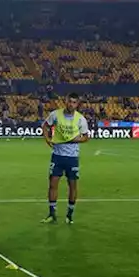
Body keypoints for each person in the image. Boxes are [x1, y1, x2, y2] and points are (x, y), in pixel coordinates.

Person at [41, 92, 90, 224]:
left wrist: (76, 139)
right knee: (52, 185)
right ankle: (52, 214)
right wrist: (47, 139)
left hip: (72, 157)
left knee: (72, 186)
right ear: (65, 101)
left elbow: (86, 137)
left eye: (74, 102)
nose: (71, 104)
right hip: (57, 156)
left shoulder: (81, 119)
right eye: (69, 101)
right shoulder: (55, 114)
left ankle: (70, 215)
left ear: (77, 104)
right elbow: (45, 126)